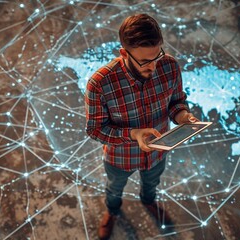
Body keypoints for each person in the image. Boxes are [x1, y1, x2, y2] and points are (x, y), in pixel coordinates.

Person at [84, 13, 199, 240]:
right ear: (124, 53)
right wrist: (134, 134)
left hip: (157, 152)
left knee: (152, 183)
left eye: (157, 56)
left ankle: (149, 201)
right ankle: (113, 212)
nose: (154, 66)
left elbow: (176, 103)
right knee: (114, 188)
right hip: (120, 157)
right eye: (145, 61)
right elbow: (95, 130)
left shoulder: (170, 66)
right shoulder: (100, 83)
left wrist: (183, 116)